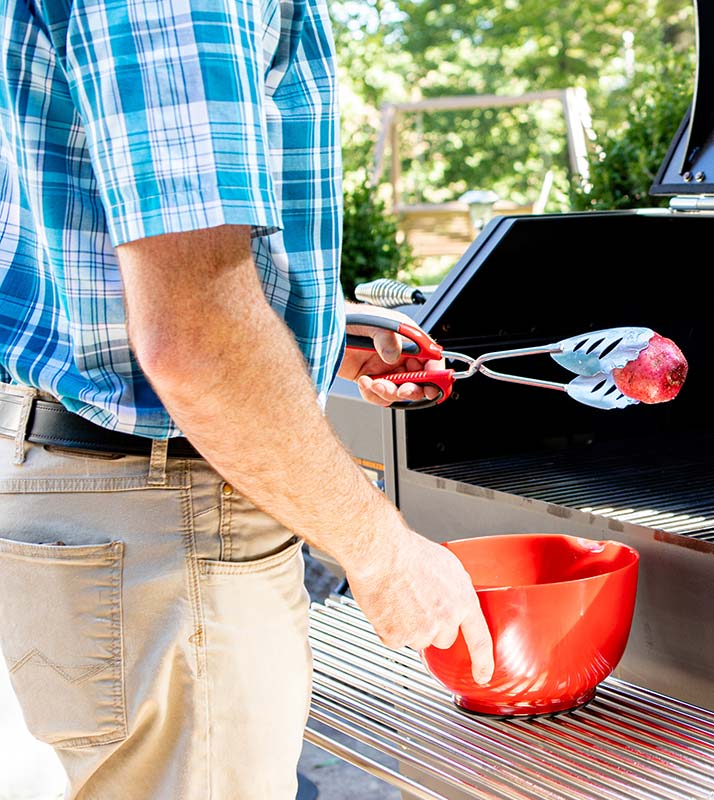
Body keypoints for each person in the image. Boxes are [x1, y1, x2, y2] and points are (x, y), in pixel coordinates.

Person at [0, 0, 494, 797]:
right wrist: (383, 554)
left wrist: (317, 336)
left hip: (98, 488)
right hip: (169, 521)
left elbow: (106, 250)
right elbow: (194, 340)